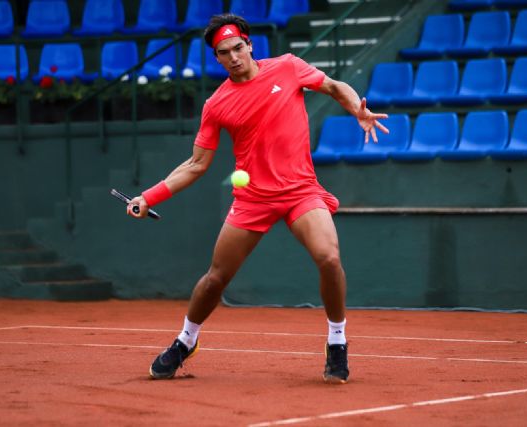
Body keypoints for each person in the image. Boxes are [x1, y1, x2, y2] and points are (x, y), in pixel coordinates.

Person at [127, 13, 389, 384]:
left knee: (329, 258)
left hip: (300, 190)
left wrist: (356, 109)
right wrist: (148, 196)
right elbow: (196, 164)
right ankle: (186, 340)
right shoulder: (217, 104)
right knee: (216, 279)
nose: (234, 57)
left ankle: (337, 340)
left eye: (238, 47)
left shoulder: (288, 67)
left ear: (250, 45)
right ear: (217, 58)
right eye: (224, 52)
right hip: (252, 199)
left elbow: (333, 86)